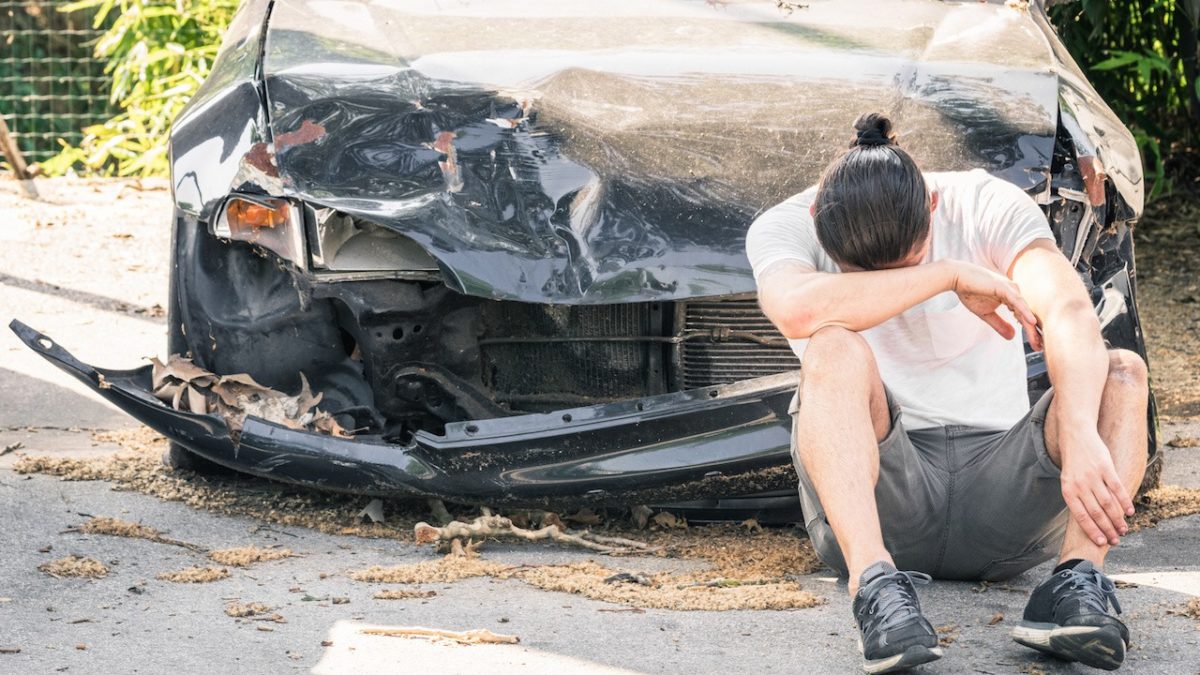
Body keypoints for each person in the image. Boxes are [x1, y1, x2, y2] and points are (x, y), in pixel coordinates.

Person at [746, 113, 1148, 673]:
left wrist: (1079, 429)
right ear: (819, 219)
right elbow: (794, 308)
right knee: (832, 346)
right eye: (863, 276)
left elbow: (1067, 308)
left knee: (1121, 371)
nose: (891, 287)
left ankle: (1075, 586)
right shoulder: (784, 224)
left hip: (1004, 500)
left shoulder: (984, 203)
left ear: (932, 205)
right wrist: (946, 275)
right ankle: (877, 592)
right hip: (883, 499)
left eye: (908, 264)